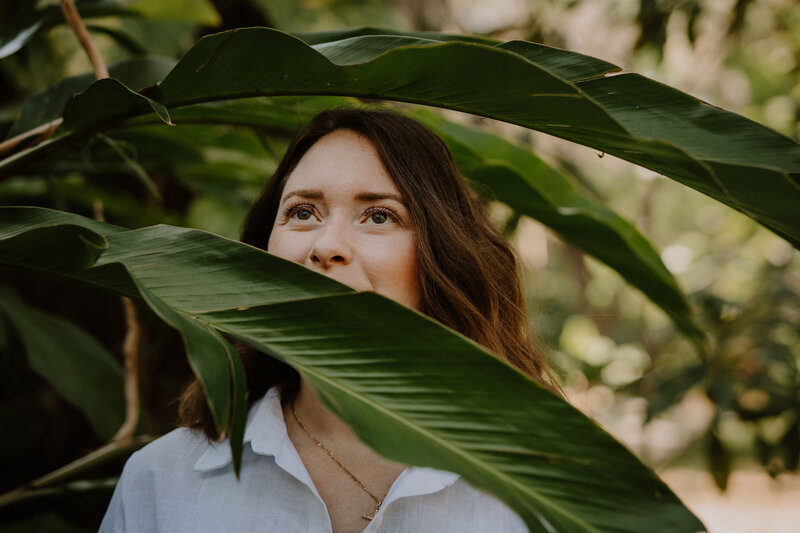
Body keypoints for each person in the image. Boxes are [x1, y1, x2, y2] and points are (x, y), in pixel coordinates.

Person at [99, 108, 557, 533]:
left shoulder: (548, 495)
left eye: (378, 216)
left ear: (444, 258)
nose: (325, 245)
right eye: (302, 212)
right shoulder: (159, 482)